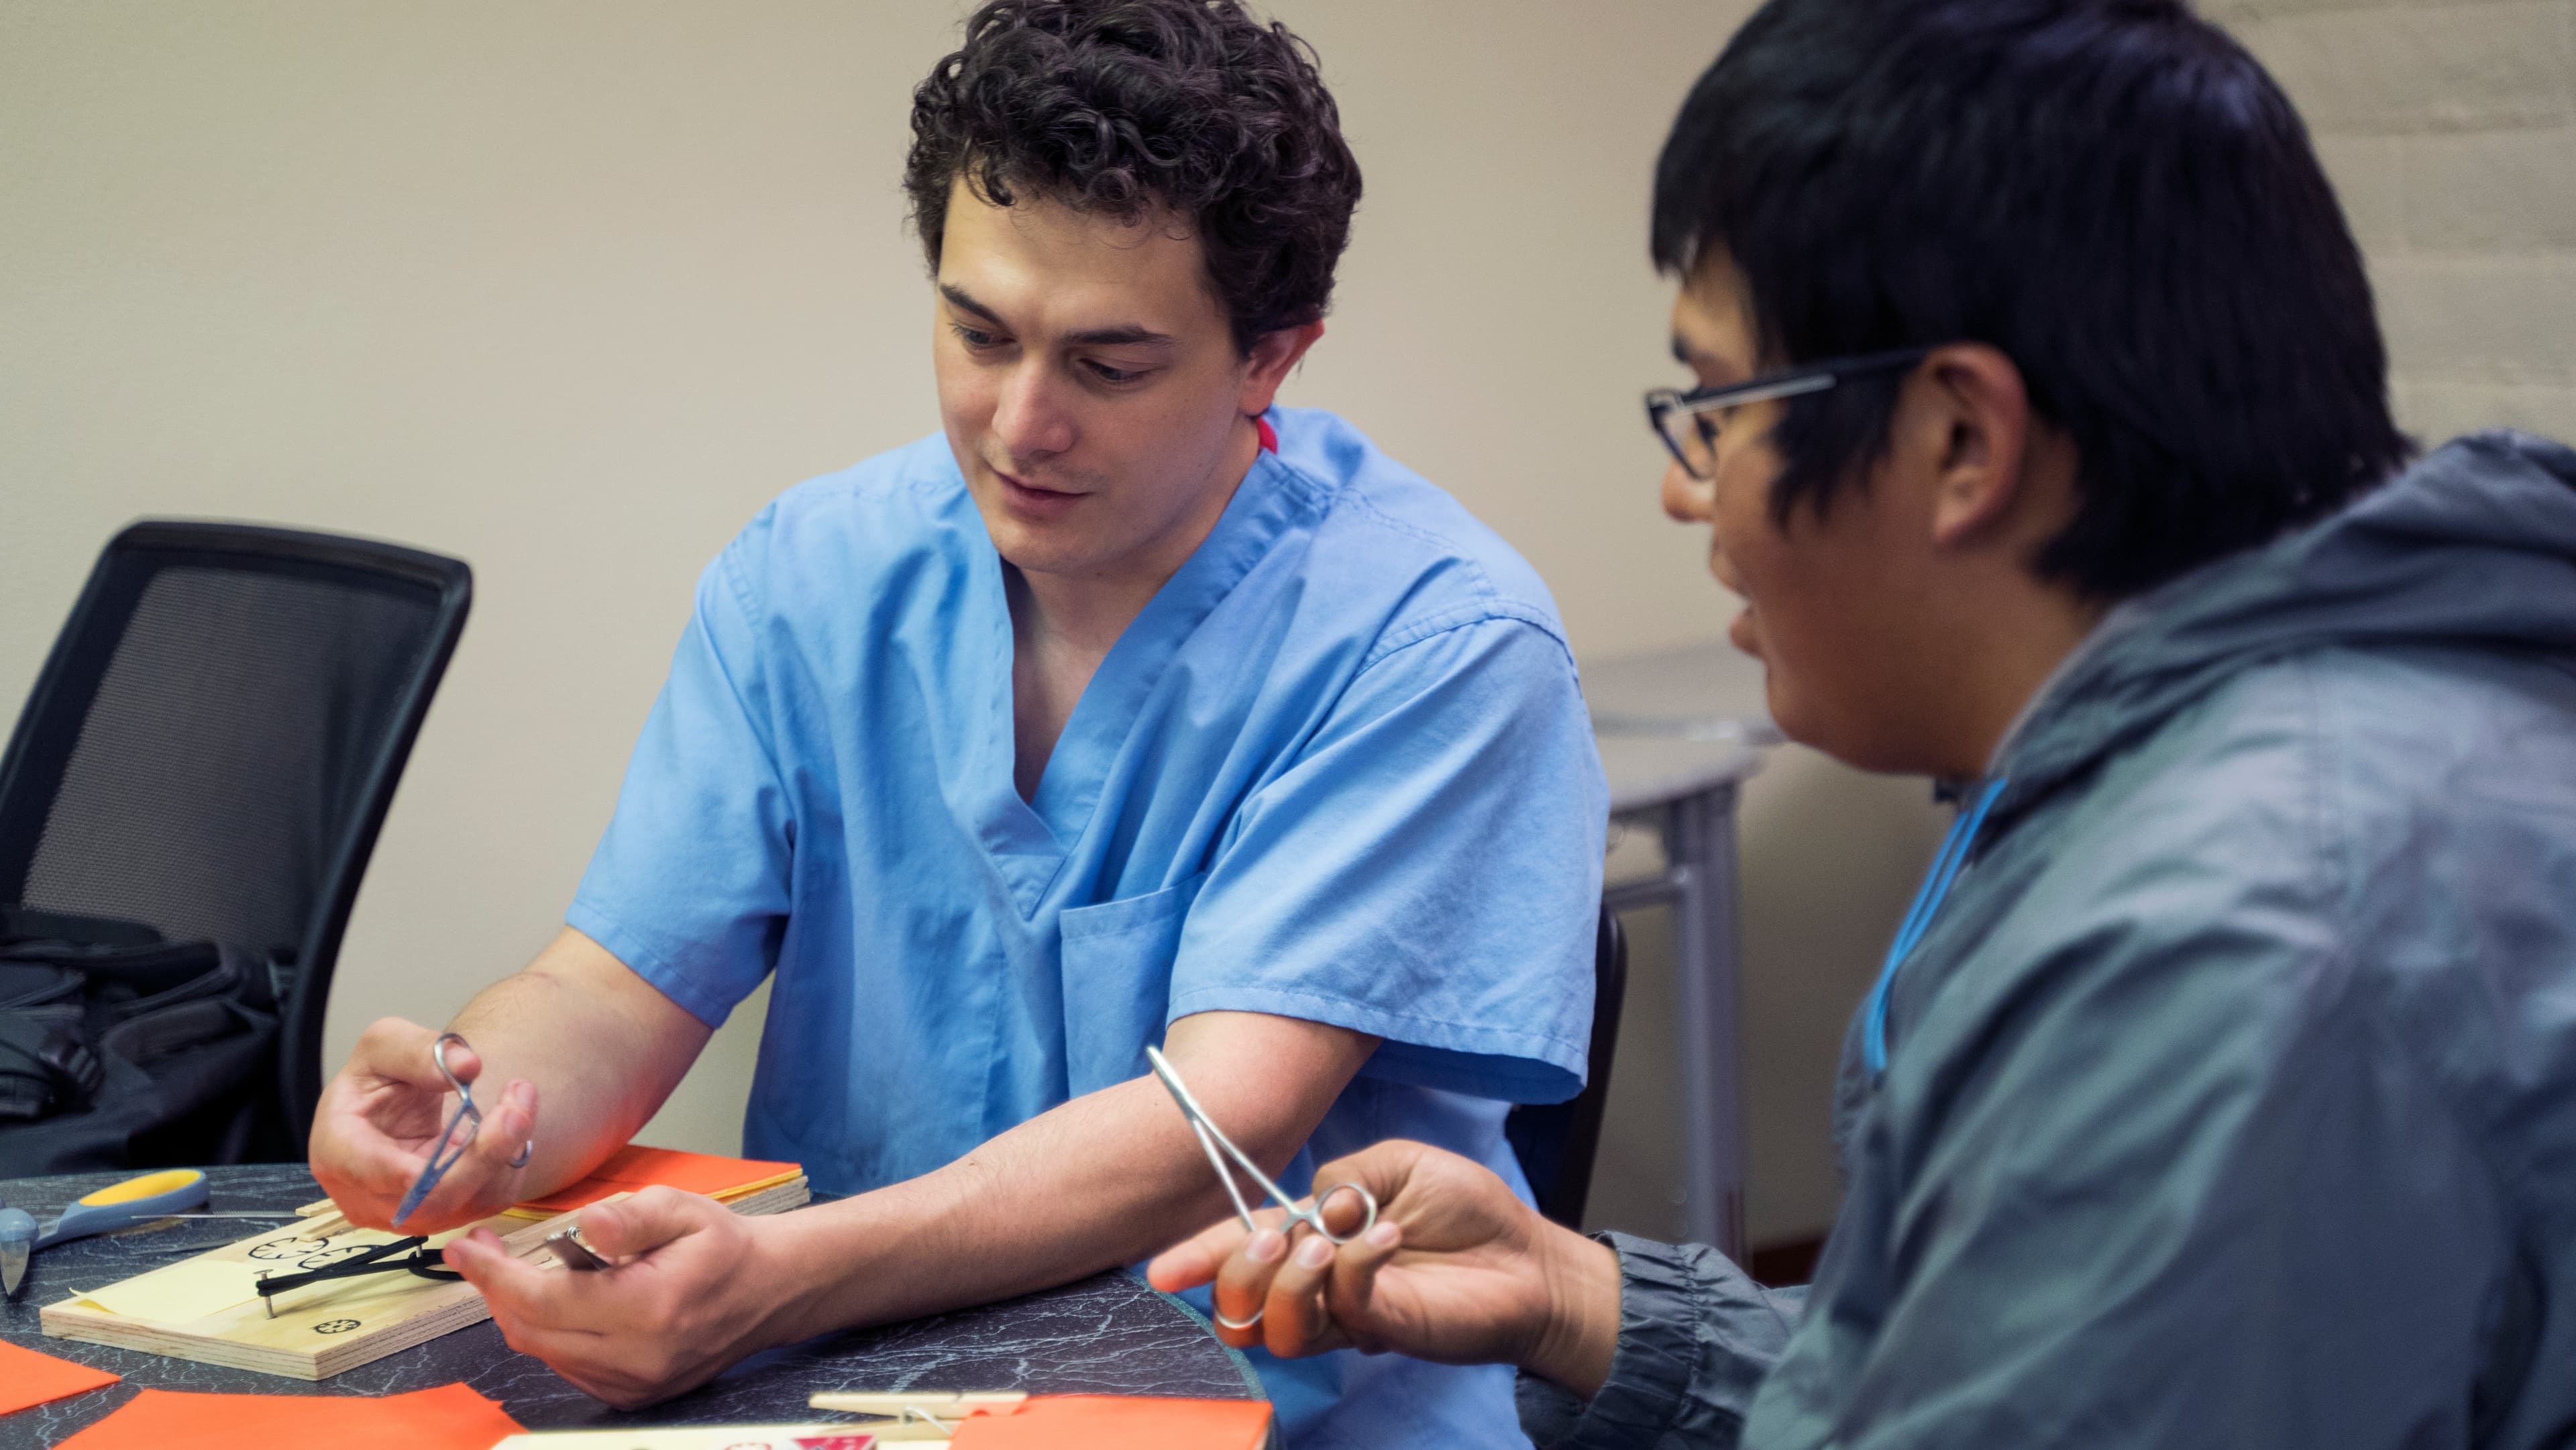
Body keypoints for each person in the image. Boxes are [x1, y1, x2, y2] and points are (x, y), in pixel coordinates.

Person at [1150, 0, 2576, 1445]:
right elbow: (2026, 1363)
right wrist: (1574, 1296)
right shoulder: (2289, 758)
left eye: (1718, 405)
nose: (1686, 488)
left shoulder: (2240, 944)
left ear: (1960, 439)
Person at [305, 3, 1607, 1443]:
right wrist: (482, 1111)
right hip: (850, 1400)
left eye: (1109, 365)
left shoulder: (1429, 638)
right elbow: (615, 988)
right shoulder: (811, 576)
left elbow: (1206, 1132)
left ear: (1270, 360)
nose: (1019, 423)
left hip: (1276, 1422)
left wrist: (786, 1282)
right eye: (978, 332)